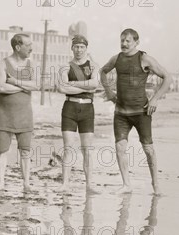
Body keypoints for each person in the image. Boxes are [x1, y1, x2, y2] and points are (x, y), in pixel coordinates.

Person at [100, 28, 172, 195]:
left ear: (136, 43)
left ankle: (156, 185)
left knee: (148, 149)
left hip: (141, 112)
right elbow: (102, 71)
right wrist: (109, 91)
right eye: (122, 40)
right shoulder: (116, 58)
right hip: (121, 113)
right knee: (119, 147)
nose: (124, 44)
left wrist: (155, 99)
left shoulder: (144, 58)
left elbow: (168, 77)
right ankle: (126, 185)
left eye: (128, 41)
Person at [0, 33, 40, 192]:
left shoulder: (32, 65)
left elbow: (36, 86)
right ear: (18, 47)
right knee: (2, 150)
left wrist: (14, 81)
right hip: (5, 114)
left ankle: (26, 183)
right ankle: (1, 182)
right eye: (28, 45)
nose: (31, 48)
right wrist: (24, 86)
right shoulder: (2, 64)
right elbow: (1, 87)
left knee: (25, 150)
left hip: (25, 115)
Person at [56, 35, 100, 194]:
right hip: (70, 108)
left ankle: (89, 185)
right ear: (72, 48)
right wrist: (86, 88)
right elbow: (62, 88)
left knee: (87, 149)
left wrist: (73, 84)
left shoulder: (93, 66)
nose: (79, 50)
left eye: (82, 47)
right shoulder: (65, 67)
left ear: (86, 48)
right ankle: (65, 183)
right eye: (76, 47)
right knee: (68, 148)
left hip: (87, 110)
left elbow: (95, 84)